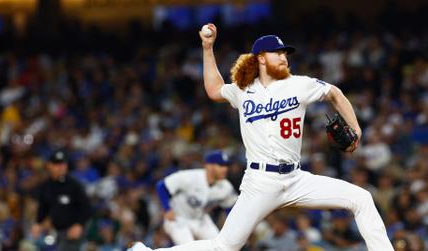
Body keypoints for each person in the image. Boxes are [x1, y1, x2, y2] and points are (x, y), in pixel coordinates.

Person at [128, 23, 394, 251]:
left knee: (361, 198)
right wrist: (208, 49)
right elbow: (214, 89)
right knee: (224, 246)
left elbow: (335, 93)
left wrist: (355, 128)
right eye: (278, 52)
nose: (284, 56)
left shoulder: (299, 84)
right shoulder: (243, 91)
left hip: (296, 178)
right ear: (261, 58)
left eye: (285, 53)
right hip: (260, 182)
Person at [156, 150, 237, 245]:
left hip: (201, 219)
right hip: (178, 218)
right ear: (209, 166)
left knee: (221, 246)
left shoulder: (225, 187)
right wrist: (167, 209)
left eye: (226, 166)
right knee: (188, 248)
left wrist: (231, 228)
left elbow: (229, 207)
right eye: (221, 165)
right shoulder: (190, 177)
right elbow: (162, 186)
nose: (225, 169)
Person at [31, 149, 92, 251]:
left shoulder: (74, 185)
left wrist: (79, 225)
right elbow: (44, 207)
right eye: (57, 164)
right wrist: (38, 222)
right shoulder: (46, 186)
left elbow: (86, 208)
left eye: (63, 164)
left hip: (74, 231)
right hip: (58, 231)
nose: (61, 167)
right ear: (49, 165)